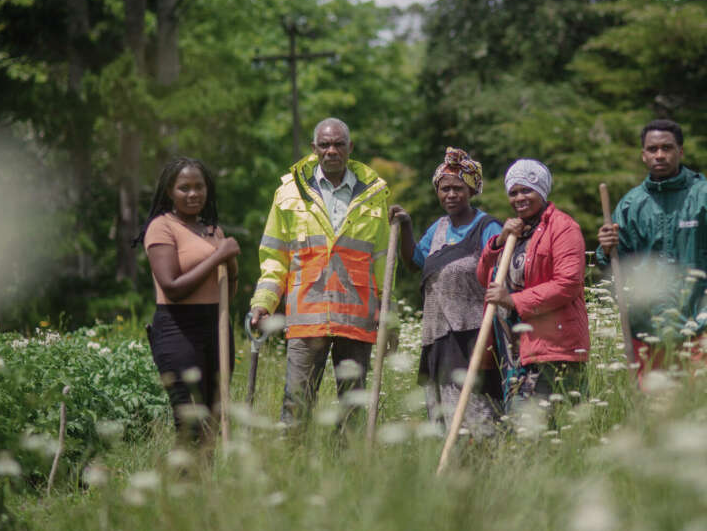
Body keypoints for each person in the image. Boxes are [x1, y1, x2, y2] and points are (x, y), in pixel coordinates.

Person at [249, 118, 391, 426]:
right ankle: (294, 467)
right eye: (325, 145)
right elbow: (274, 258)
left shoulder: (374, 194)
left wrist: (384, 305)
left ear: (350, 148)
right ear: (314, 149)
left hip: (356, 317)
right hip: (307, 318)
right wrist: (263, 303)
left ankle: (353, 470)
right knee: (297, 405)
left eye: (339, 144)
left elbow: (382, 259)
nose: (331, 151)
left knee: (352, 409)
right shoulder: (289, 194)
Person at [596, 119, 707, 387]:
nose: (660, 155)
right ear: (643, 155)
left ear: (681, 152)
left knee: (705, 407)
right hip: (648, 329)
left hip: (702, 326)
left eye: (667, 147)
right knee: (659, 414)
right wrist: (607, 248)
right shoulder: (631, 204)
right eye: (652, 149)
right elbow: (617, 263)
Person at [389, 147, 503, 433]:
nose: (451, 195)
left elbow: (501, 275)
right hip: (436, 337)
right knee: (439, 415)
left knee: (474, 416)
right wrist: (406, 226)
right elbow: (416, 262)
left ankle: (480, 467)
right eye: (444, 189)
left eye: (458, 188)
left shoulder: (487, 228)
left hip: (472, 336)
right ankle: (450, 471)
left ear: (472, 190)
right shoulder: (438, 228)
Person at [135, 157, 240, 445]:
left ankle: (205, 489)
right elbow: (172, 288)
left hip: (216, 327)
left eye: (199, 187)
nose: (193, 194)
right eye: (184, 188)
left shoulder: (212, 230)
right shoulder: (161, 227)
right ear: (170, 191)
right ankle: (182, 487)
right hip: (178, 330)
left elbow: (226, 296)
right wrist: (218, 256)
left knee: (212, 424)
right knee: (191, 423)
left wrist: (230, 265)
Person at [478, 159, 590, 411]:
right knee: (521, 432)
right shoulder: (513, 233)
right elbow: (483, 276)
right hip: (513, 352)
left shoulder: (563, 228)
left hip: (551, 349)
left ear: (541, 191)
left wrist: (514, 300)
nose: (519, 198)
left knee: (539, 432)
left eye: (527, 190)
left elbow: (568, 283)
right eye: (513, 192)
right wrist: (499, 241)